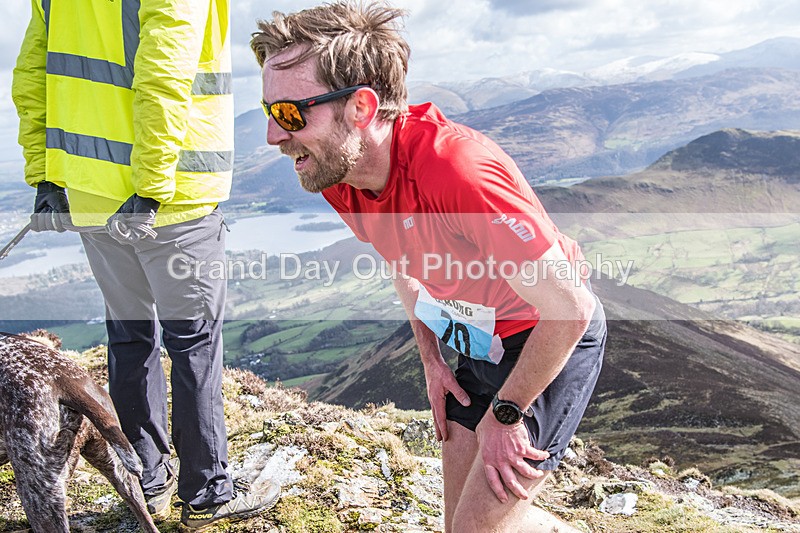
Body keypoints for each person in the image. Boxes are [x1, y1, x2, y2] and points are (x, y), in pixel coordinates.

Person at [251, 2, 606, 531]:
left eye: (290, 115)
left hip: (545, 342)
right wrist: (432, 361)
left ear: (361, 108)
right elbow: (407, 264)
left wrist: (507, 414)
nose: (274, 137)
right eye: (269, 113)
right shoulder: (340, 173)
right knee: (459, 523)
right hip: (473, 342)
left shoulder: (456, 172)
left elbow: (570, 310)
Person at [13, 0, 279, 529]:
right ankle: (207, 492)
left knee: (130, 336)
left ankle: (146, 480)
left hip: (89, 193)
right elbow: (164, 72)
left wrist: (45, 175)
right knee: (194, 342)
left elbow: (32, 74)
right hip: (168, 202)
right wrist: (152, 188)